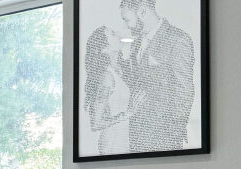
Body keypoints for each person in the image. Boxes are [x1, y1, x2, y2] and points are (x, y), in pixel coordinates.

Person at [118, 0, 196, 153]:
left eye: (127, 20)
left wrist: (172, 131)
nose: (126, 26)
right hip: (137, 135)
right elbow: (139, 83)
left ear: (143, 11)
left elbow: (184, 91)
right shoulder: (136, 43)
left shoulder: (177, 39)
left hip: (164, 137)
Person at [83, 26, 132, 155]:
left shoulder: (120, 70)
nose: (119, 34)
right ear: (104, 48)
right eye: (113, 34)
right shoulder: (107, 77)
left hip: (123, 140)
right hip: (113, 144)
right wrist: (125, 115)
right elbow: (96, 123)